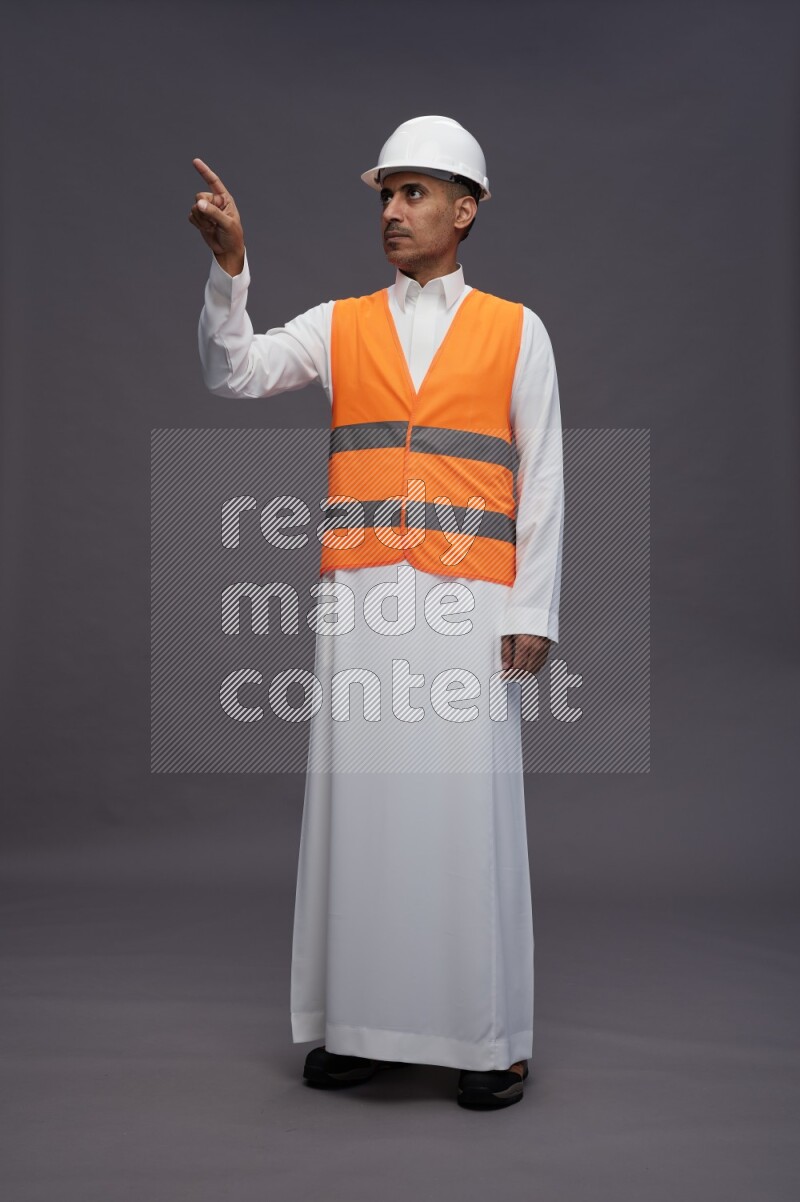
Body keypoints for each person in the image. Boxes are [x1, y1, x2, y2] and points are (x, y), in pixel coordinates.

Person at [190, 115, 564, 1109]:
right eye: (384, 195)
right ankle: (357, 1025)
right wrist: (232, 271)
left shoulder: (517, 329)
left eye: (412, 192)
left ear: (464, 208)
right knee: (363, 812)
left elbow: (546, 475)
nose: (392, 212)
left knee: (465, 814)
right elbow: (236, 370)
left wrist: (534, 605)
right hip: (359, 598)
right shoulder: (341, 321)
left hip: (471, 603)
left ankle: (490, 1036)